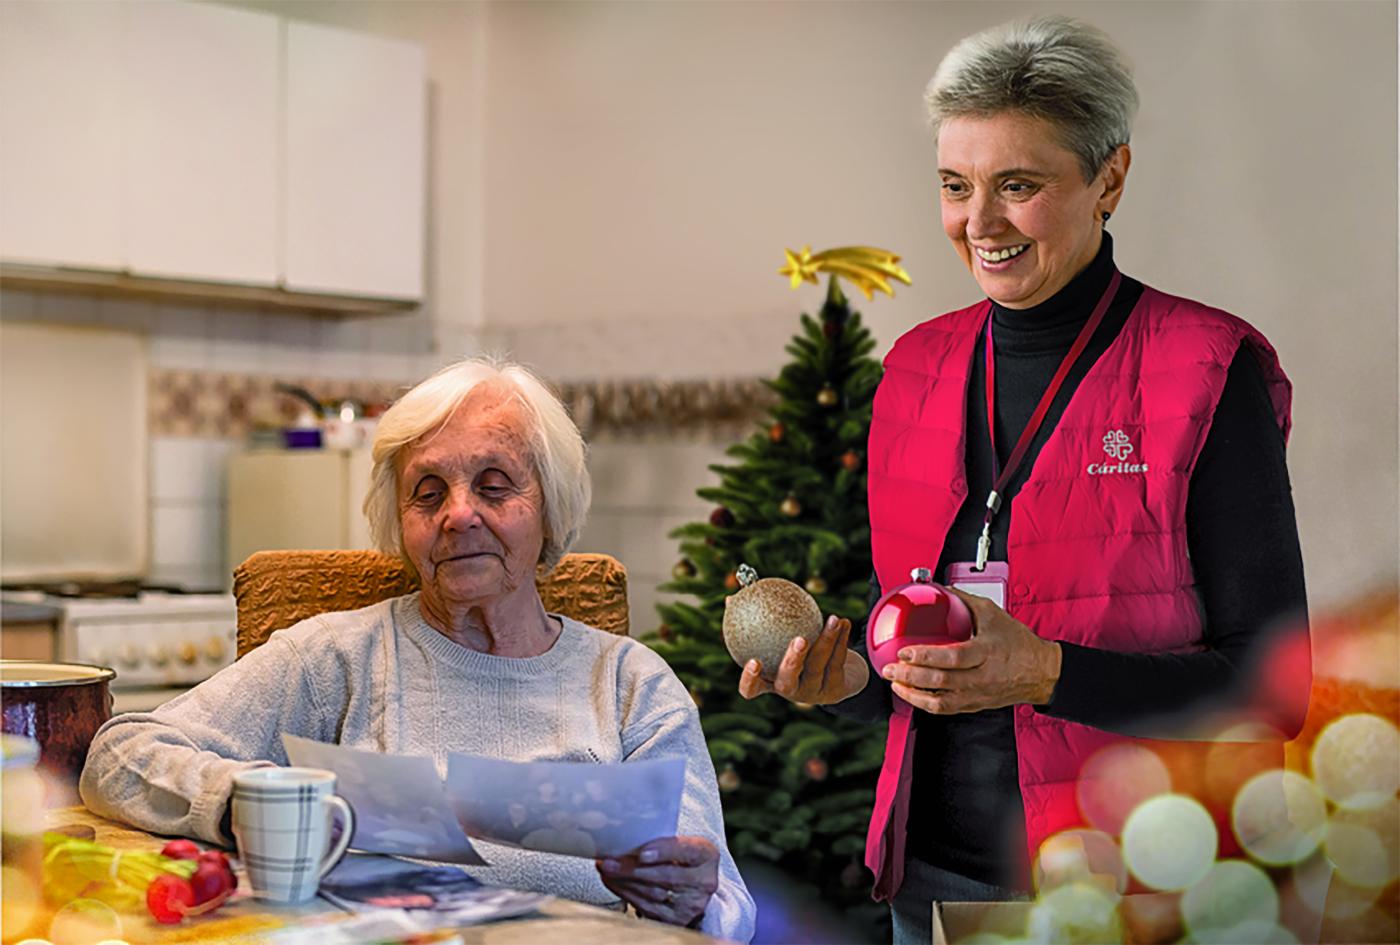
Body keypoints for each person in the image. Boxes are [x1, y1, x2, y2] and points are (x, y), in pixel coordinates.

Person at [738, 15, 1310, 943]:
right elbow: (921, 664)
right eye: (956, 187)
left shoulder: (1206, 367)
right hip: (930, 886)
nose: (980, 223)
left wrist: (1043, 668)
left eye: (1019, 185)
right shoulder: (915, 372)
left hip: (1138, 890)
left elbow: (1269, 689)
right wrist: (849, 678)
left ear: (1109, 179)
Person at [81, 357, 755, 942]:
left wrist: (692, 900)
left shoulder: (629, 684)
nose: (458, 513)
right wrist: (244, 798)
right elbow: (119, 754)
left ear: (549, 507)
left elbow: (723, 901)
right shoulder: (334, 659)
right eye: (426, 492)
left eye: (495, 484)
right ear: (402, 525)